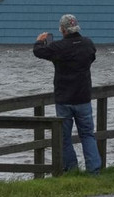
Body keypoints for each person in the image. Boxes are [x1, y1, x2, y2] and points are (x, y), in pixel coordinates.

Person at [33, 14, 102, 174]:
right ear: (77, 27)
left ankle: (71, 169)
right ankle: (94, 170)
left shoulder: (58, 47)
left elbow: (38, 51)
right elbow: (92, 57)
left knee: (64, 138)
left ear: (62, 30)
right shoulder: (88, 44)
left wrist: (40, 40)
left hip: (64, 99)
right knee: (87, 135)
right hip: (83, 98)